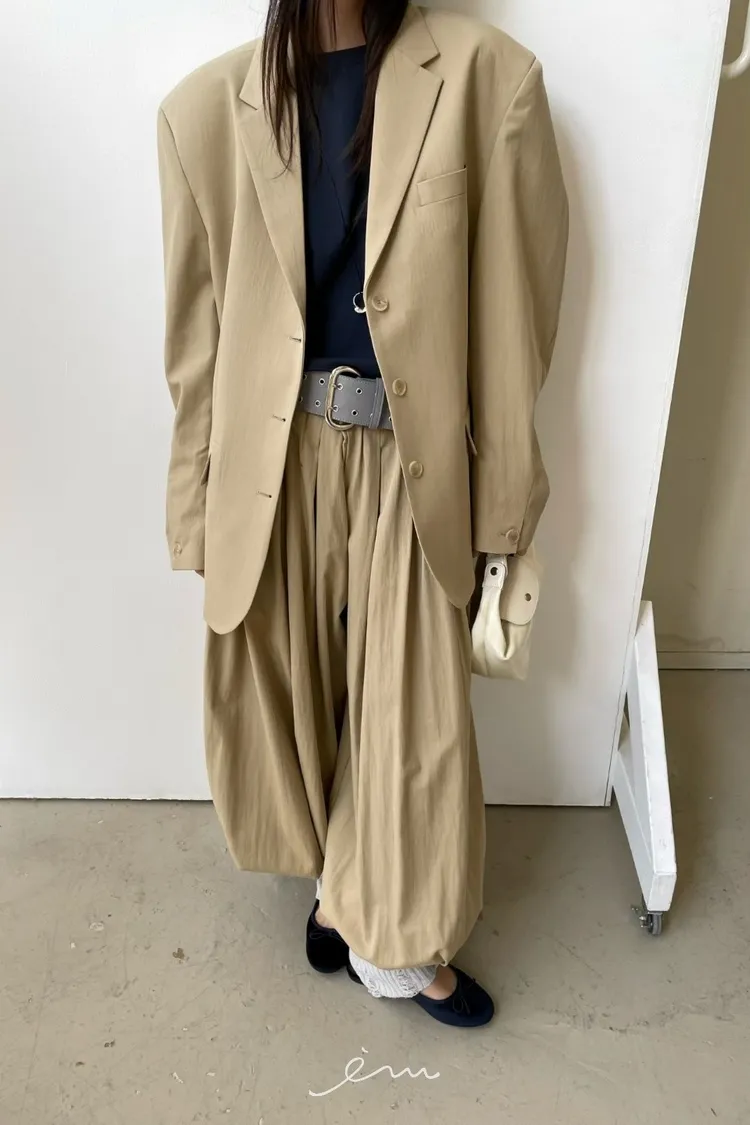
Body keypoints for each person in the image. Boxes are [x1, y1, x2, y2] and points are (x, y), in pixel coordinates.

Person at [156, 0, 568, 1029]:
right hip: (273, 454)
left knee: (410, 708)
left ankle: (399, 938)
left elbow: (514, 323)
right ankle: (338, 890)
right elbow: (196, 346)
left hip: (409, 452)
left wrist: (504, 508)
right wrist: (196, 505)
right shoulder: (205, 108)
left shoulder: (489, 78)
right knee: (292, 694)